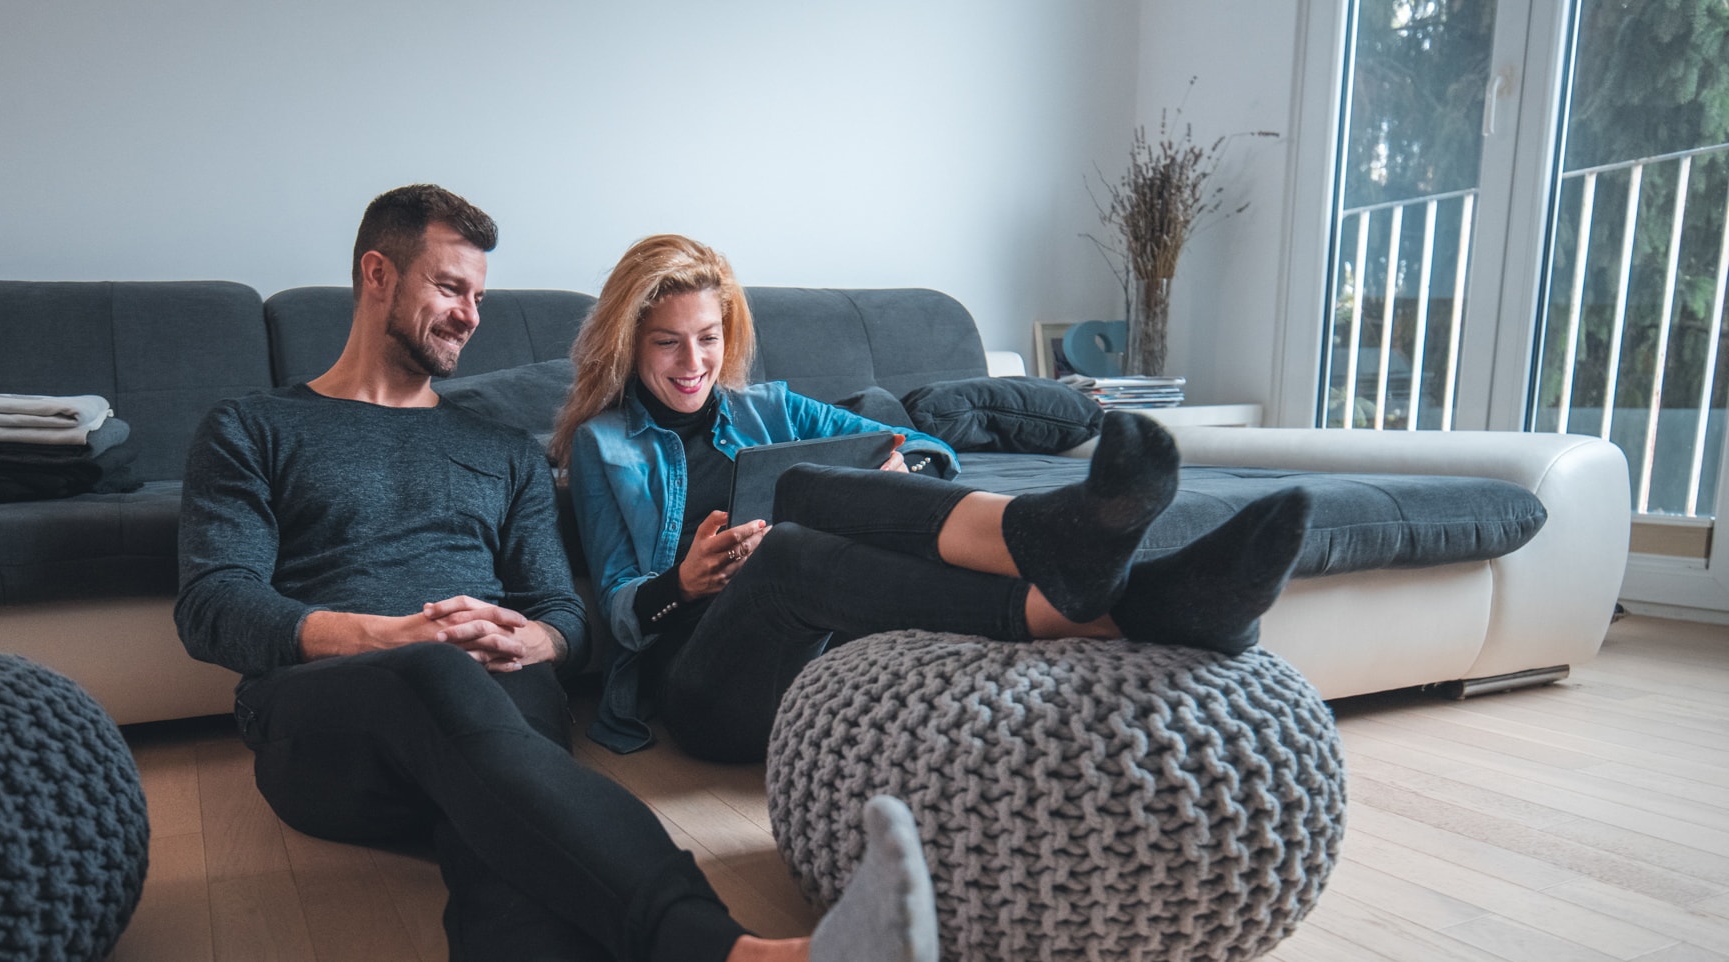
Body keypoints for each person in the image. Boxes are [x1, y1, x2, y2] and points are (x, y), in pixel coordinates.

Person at [176, 187, 938, 962]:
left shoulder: (504, 449)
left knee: (505, 839)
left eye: (478, 294)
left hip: (499, 708)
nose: (470, 314)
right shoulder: (252, 427)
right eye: (449, 288)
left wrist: (539, 639)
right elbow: (212, 604)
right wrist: (392, 636)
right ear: (377, 275)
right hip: (330, 721)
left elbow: (561, 610)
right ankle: (727, 950)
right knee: (443, 687)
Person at [555, 234, 1312, 763]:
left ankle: (1115, 583)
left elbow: (925, 444)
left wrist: (895, 476)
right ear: (630, 342)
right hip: (701, 688)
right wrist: (682, 583)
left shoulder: (771, 409)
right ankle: (1073, 567)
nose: (695, 363)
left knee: (814, 491)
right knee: (789, 537)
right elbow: (620, 610)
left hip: (818, 657)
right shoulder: (603, 445)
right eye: (668, 342)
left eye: (709, 338)